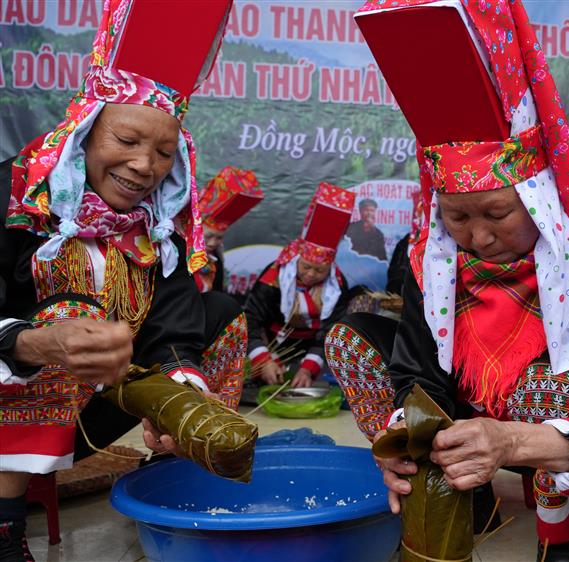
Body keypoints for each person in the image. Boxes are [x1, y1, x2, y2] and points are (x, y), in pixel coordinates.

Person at [354, 2, 569, 561]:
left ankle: (562, 533)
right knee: (354, 342)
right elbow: (417, 375)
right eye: (456, 217)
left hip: (542, 434)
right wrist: (406, 433)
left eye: (497, 214)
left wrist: (514, 441)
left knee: (557, 385)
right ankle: (454, 499)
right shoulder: (434, 264)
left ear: (538, 200)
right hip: (465, 423)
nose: (477, 237)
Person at [0, 2, 244, 560]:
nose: (144, 166)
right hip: (8, 398)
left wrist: (180, 397)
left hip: (86, 409)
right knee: (71, 319)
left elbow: (173, 326)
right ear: (85, 130)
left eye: (164, 152)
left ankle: (175, 459)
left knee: (223, 315)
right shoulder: (15, 194)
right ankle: (5, 527)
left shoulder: (155, 228)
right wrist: (33, 343)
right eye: (128, 140)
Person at [244, 182, 354, 390]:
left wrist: (308, 368)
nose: (311, 274)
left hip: (312, 347)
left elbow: (332, 331)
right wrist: (263, 359)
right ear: (297, 259)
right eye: (306, 267)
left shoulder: (337, 286)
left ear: (330, 267)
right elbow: (251, 319)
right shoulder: (274, 276)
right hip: (270, 342)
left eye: (319, 270)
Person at [195, 166, 264, 293]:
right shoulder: (181, 253)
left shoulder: (215, 259)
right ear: (196, 231)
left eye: (219, 238)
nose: (213, 243)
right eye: (208, 236)